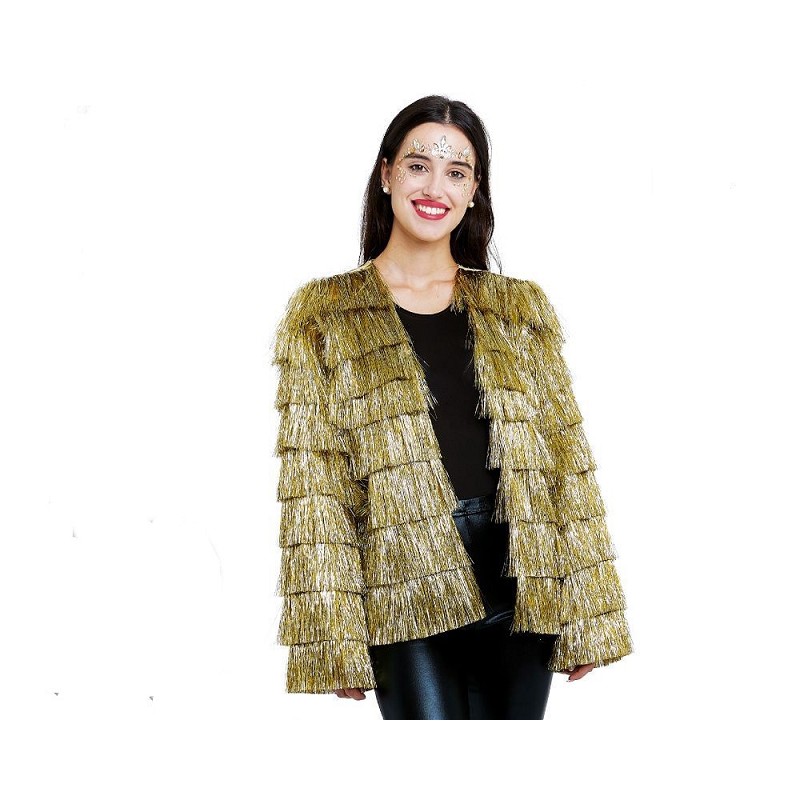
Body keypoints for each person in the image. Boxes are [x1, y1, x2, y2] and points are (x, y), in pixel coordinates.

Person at [271, 95, 633, 719]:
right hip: (403, 582)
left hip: (524, 583)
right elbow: (316, 485)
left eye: (456, 172)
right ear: (386, 174)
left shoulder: (519, 309)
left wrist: (589, 610)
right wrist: (332, 634)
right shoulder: (324, 314)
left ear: (474, 191)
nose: (435, 187)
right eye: (418, 166)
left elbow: (565, 462)